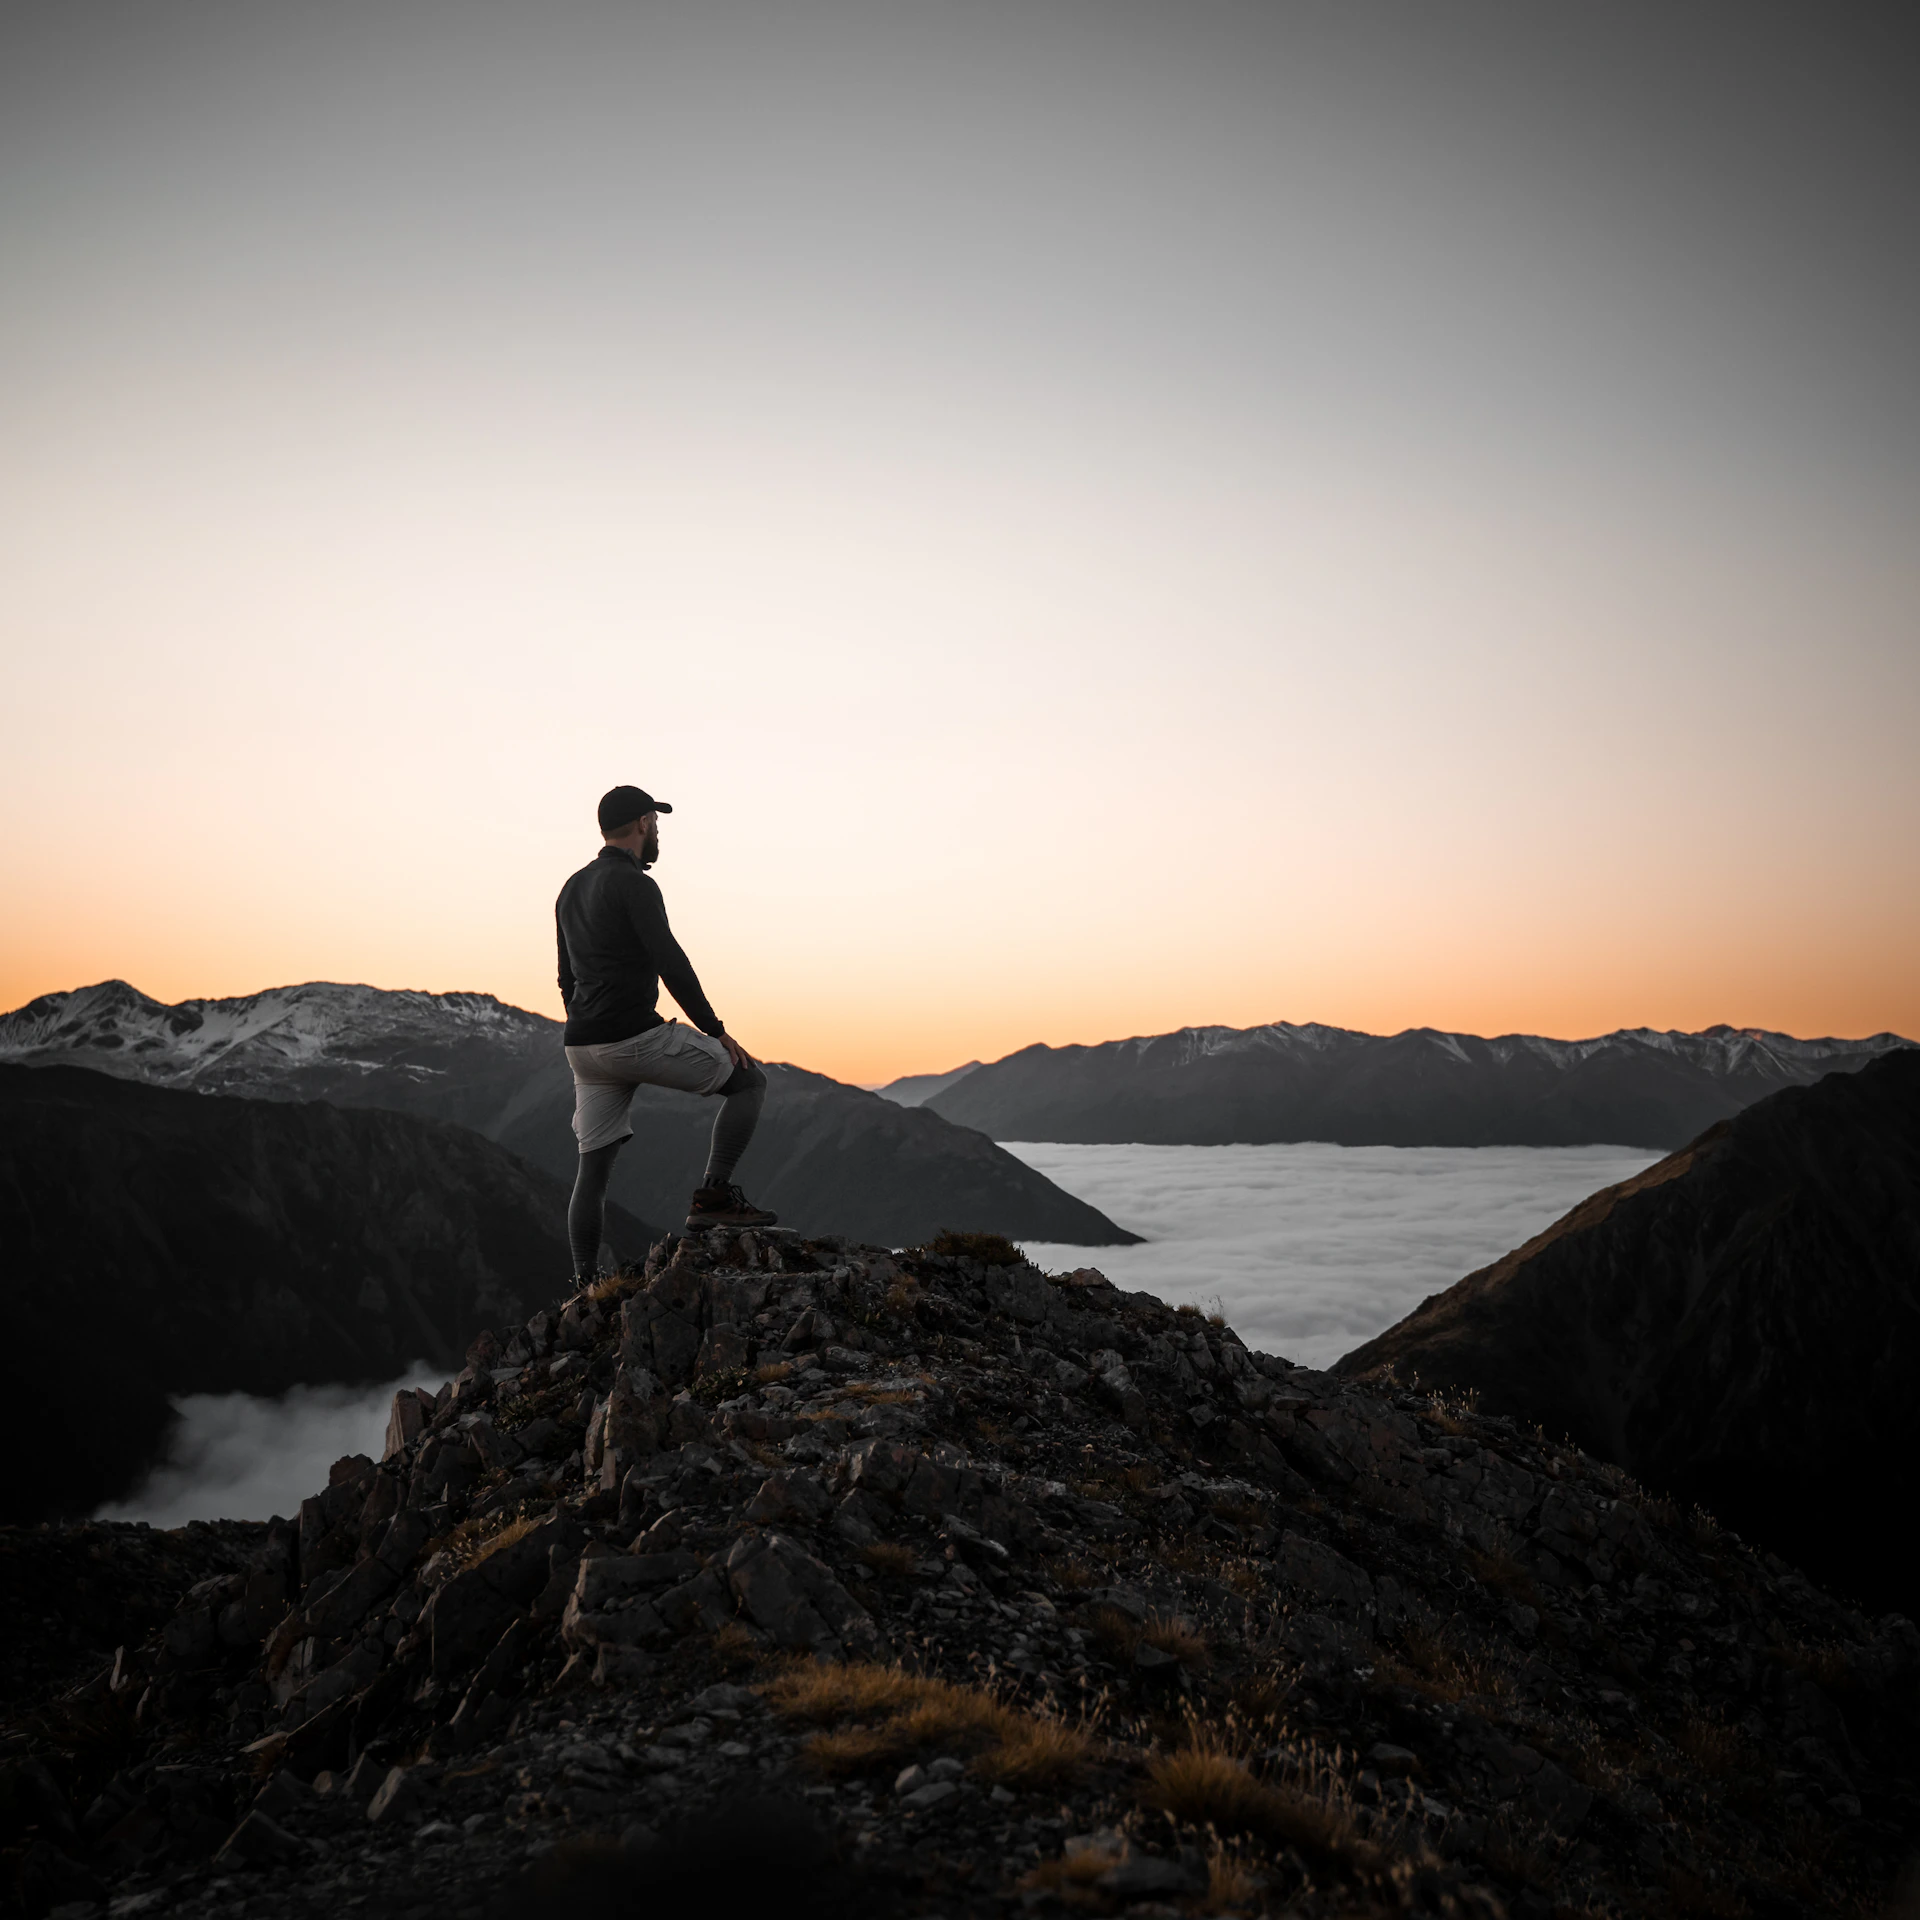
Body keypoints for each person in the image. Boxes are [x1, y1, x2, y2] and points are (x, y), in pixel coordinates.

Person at [555, 783, 775, 1282]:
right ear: (642, 824)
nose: (657, 832)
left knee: (592, 1172)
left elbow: (567, 977)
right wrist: (716, 1031)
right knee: (748, 1082)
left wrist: (585, 1024)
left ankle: (585, 1286)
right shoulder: (636, 885)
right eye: (656, 822)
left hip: (583, 1047)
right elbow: (669, 960)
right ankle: (714, 1196)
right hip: (634, 1037)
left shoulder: (570, 889)